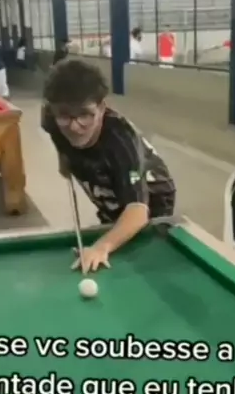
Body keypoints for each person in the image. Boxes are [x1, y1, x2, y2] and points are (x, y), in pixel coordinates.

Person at [41, 59, 176, 273]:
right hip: (109, 193)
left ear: (102, 107)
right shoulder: (50, 118)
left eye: (85, 114)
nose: (75, 126)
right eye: (65, 116)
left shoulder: (121, 141)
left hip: (151, 200)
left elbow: (138, 211)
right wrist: (63, 158)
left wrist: (101, 247)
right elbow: (55, 133)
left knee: (136, 265)